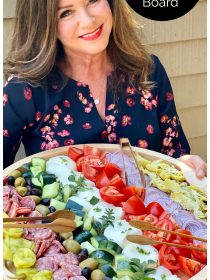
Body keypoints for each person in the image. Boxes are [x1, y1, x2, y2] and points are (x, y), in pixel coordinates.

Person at [3, 0, 206, 178]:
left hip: (150, 218)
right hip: (64, 221)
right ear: (45, 25)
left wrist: (185, 165)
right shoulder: (23, 90)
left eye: (92, 0)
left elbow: (173, 153)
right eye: (65, 12)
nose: (87, 20)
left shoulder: (148, 71)